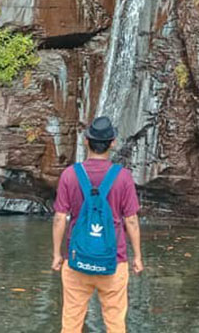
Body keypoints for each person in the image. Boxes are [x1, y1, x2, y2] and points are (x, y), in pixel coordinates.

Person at [52, 116, 143, 333]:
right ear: (112, 143)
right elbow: (131, 220)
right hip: (114, 262)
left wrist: (57, 254)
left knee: (71, 323)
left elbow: (59, 218)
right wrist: (137, 257)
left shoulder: (69, 175)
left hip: (76, 261)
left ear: (86, 140)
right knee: (115, 323)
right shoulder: (123, 177)